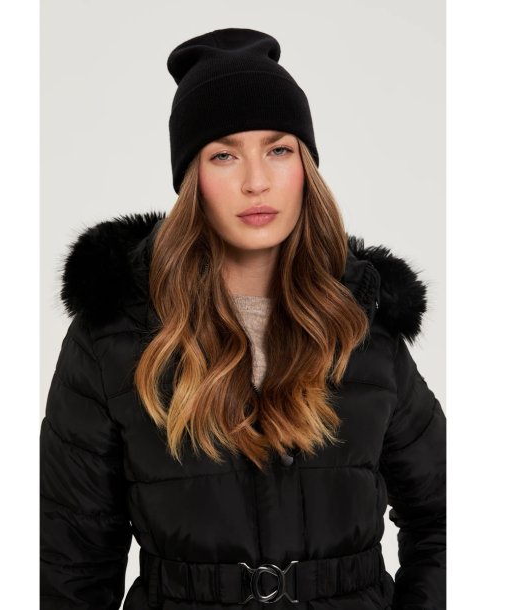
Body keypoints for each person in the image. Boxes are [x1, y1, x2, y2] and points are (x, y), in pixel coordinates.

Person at [40, 28, 446, 610]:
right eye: (224, 155)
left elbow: (448, 516)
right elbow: (68, 561)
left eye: (278, 150)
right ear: (192, 178)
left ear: (305, 166)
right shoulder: (114, 338)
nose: (256, 181)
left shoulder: (363, 324)